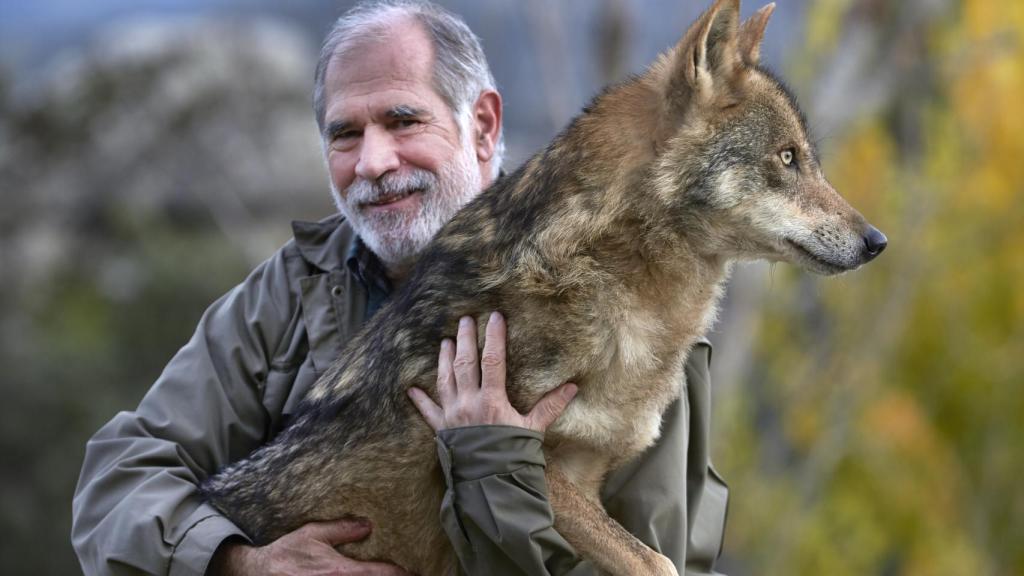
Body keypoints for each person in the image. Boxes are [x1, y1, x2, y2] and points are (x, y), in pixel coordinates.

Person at [71, 2, 729, 575]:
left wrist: (497, 467)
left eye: (403, 121)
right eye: (345, 134)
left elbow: (657, 559)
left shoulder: (631, 307)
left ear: (484, 126)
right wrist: (239, 561)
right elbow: (117, 484)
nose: (373, 162)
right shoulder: (291, 290)